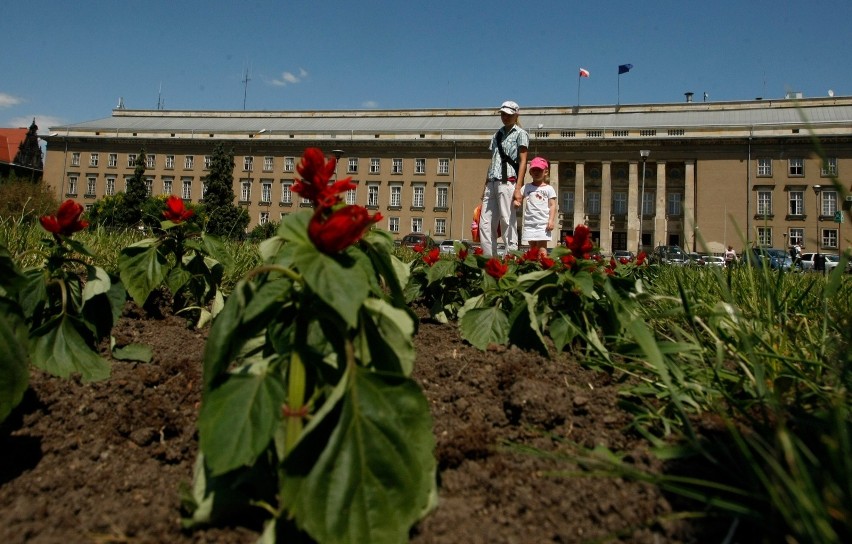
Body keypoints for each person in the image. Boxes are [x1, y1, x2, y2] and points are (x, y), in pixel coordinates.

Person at [479, 100, 529, 257]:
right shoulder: (497, 135)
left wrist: (518, 188)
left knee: (507, 221)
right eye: (503, 114)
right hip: (492, 182)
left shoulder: (521, 134)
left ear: (516, 115)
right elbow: (493, 160)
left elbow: (523, 161)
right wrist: (485, 185)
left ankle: (511, 259)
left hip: (508, 181)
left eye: (508, 114)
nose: (505, 117)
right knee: (485, 225)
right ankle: (489, 260)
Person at [520, 156, 557, 257]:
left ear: (545, 172)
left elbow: (552, 205)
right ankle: (533, 267)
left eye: (539, 170)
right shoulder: (527, 187)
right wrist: (517, 202)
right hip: (529, 223)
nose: (536, 172)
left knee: (542, 249)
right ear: (530, 172)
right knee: (533, 249)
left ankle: (542, 268)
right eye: (534, 170)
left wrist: (551, 220)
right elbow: (519, 197)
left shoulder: (549, 189)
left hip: (542, 223)